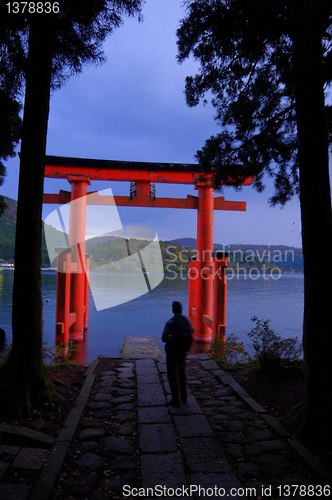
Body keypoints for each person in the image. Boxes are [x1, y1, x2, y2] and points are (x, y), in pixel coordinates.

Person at [162, 301, 193, 407]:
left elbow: (164, 338)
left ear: (172, 310)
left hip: (174, 351)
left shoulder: (170, 322)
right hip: (184, 351)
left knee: (172, 374)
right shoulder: (187, 320)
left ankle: (176, 399)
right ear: (181, 309)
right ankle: (184, 397)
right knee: (182, 372)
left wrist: (171, 339)